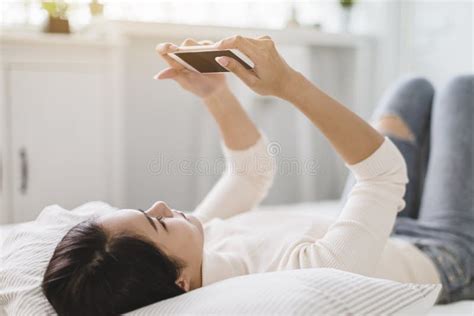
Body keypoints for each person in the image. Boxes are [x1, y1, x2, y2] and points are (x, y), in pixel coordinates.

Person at [41, 36, 473, 315]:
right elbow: (382, 175)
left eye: (142, 209)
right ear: (181, 282)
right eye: (157, 222)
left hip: (374, 225)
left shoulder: (195, 241)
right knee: (460, 92)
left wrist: (215, 93)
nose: (162, 205)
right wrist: (288, 84)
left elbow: (250, 174)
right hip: (439, 253)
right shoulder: (296, 279)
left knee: (413, 89)